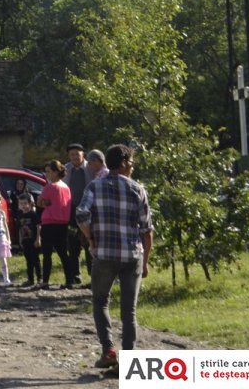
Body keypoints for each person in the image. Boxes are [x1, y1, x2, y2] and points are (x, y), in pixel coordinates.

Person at [76, 144, 154, 369]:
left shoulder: (94, 186)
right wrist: (145, 261)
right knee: (129, 310)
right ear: (123, 163)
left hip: (104, 254)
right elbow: (146, 230)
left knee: (100, 301)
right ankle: (128, 363)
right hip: (132, 256)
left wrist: (91, 239)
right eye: (131, 163)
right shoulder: (138, 189)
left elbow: (81, 214)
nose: (133, 167)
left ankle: (108, 351)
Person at [36, 159, 76, 290]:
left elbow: (39, 202)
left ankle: (45, 280)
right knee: (63, 253)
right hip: (63, 223)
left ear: (55, 172)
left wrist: (44, 203)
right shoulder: (66, 187)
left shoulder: (50, 186)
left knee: (47, 254)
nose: (46, 174)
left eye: (48, 171)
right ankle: (69, 280)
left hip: (49, 222)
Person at [63, 143, 89, 288]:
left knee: (89, 242)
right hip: (71, 211)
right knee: (73, 244)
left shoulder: (90, 168)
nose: (74, 157)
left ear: (82, 154)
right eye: (72, 154)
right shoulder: (66, 169)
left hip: (87, 210)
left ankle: (93, 277)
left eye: (77, 154)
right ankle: (75, 276)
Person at [15, 192, 42, 286]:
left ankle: (40, 278)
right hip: (25, 241)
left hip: (33, 240)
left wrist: (38, 239)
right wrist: (20, 240)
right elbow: (19, 229)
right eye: (21, 203)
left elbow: (38, 226)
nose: (23, 205)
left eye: (25, 203)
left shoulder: (33, 214)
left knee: (35, 259)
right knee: (28, 261)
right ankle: (30, 279)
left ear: (30, 203)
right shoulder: (20, 216)